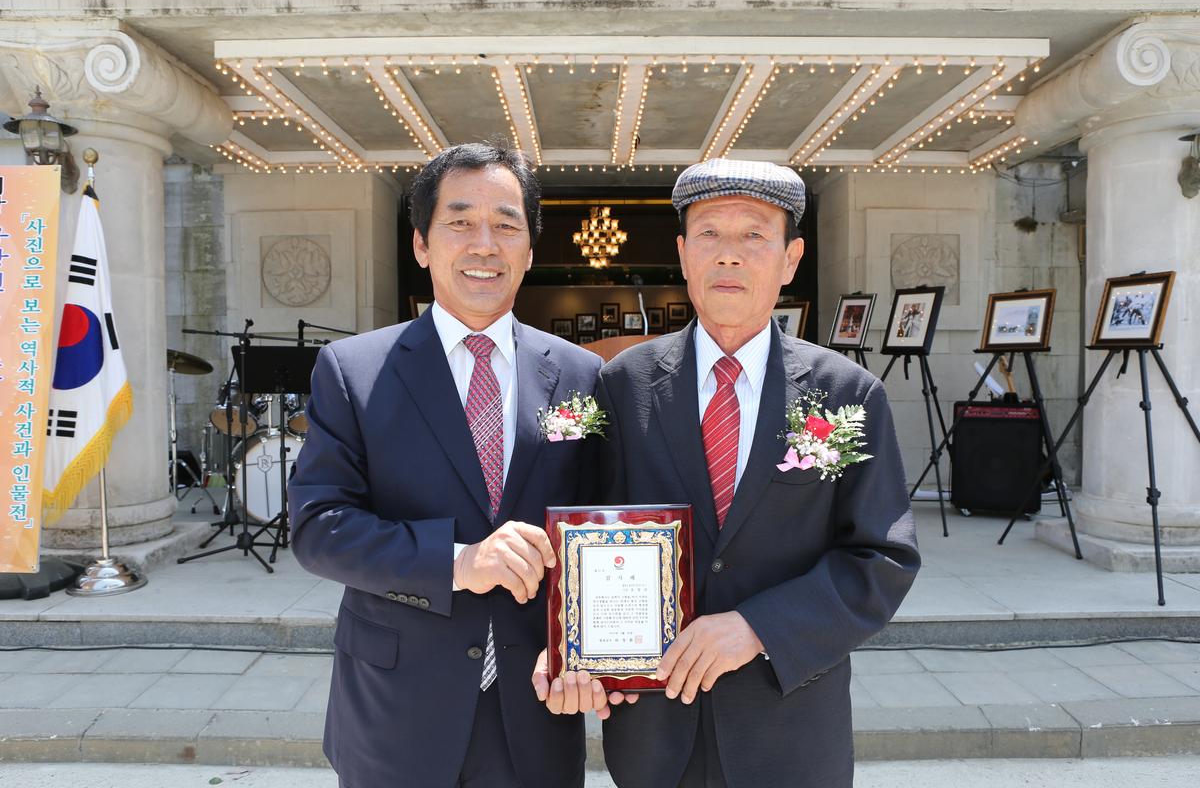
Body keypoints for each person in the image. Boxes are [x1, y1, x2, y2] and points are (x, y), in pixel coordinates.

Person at [536, 158, 920, 787]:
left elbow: (882, 558)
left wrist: (756, 628)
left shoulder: (847, 394)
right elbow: (584, 532)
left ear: (791, 259)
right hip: (656, 725)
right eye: (709, 234)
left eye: (754, 236)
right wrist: (571, 642)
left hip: (788, 727)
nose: (729, 255)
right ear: (683, 255)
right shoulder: (624, 385)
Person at [288, 141, 603, 788]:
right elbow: (319, 529)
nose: (484, 244)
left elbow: (599, 529)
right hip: (396, 713)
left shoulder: (582, 375)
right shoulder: (354, 371)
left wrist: (590, 647)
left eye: (506, 225)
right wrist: (458, 561)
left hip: (534, 710)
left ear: (529, 250)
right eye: (460, 222)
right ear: (421, 244)